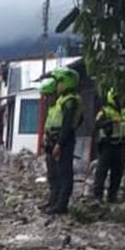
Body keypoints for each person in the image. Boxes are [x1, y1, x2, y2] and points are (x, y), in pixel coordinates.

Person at [43, 67, 82, 215]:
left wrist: (60, 143)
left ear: (65, 82)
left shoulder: (69, 101)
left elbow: (67, 124)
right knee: (53, 173)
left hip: (63, 141)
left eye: (58, 82)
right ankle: (53, 201)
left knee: (64, 173)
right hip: (55, 140)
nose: (57, 85)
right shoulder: (61, 101)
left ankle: (61, 205)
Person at [93, 88, 125, 203]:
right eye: (117, 98)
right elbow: (97, 124)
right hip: (107, 145)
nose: (119, 100)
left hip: (120, 146)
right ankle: (98, 195)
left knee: (117, 172)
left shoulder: (124, 112)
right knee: (102, 171)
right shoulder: (105, 111)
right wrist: (109, 123)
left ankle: (112, 195)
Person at [39, 77, 60, 210]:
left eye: (48, 96)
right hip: (49, 146)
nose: (47, 99)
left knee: (58, 176)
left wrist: (59, 143)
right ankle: (51, 201)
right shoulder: (52, 109)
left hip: (57, 146)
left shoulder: (60, 107)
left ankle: (57, 202)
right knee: (51, 176)